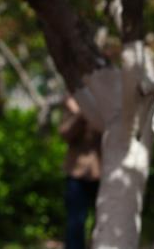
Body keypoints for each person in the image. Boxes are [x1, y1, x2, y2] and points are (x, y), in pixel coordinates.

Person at [59, 94, 101, 249]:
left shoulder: (105, 104)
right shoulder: (75, 101)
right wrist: (80, 114)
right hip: (76, 173)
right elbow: (65, 133)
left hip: (102, 173)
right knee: (75, 221)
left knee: (102, 220)